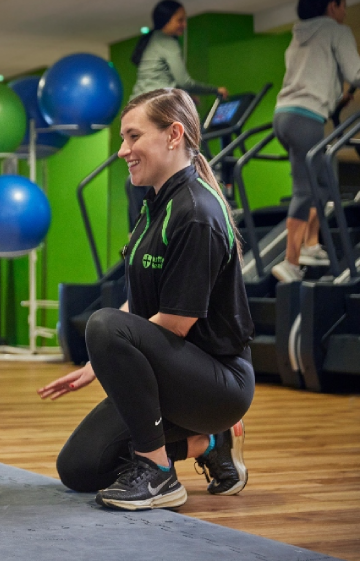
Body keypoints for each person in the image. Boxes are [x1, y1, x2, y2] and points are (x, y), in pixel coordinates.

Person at [38, 88, 254, 511]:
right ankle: (207, 442)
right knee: (79, 468)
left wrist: (110, 349)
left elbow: (174, 325)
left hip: (216, 385)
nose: (123, 150)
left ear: (174, 135)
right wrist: (96, 361)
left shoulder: (196, 212)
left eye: (133, 137)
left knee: (102, 323)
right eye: (123, 139)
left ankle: (158, 474)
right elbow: (136, 306)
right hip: (172, 373)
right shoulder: (158, 203)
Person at [271, 0, 360, 282]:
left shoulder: (298, 36)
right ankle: (291, 261)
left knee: (320, 185)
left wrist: (338, 98)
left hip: (284, 116)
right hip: (306, 119)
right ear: (332, 6)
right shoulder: (336, 30)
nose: (344, 11)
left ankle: (310, 246)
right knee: (305, 190)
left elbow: (311, 78)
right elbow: (355, 73)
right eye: (343, 5)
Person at [126, 0, 230, 228]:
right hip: (154, 107)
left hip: (140, 106)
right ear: (166, 21)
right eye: (179, 19)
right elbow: (184, 80)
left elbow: (164, 80)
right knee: (194, 136)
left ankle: (138, 224)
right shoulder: (167, 41)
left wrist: (184, 96)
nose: (183, 24)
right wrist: (215, 90)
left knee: (149, 159)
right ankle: (217, 187)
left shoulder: (153, 40)